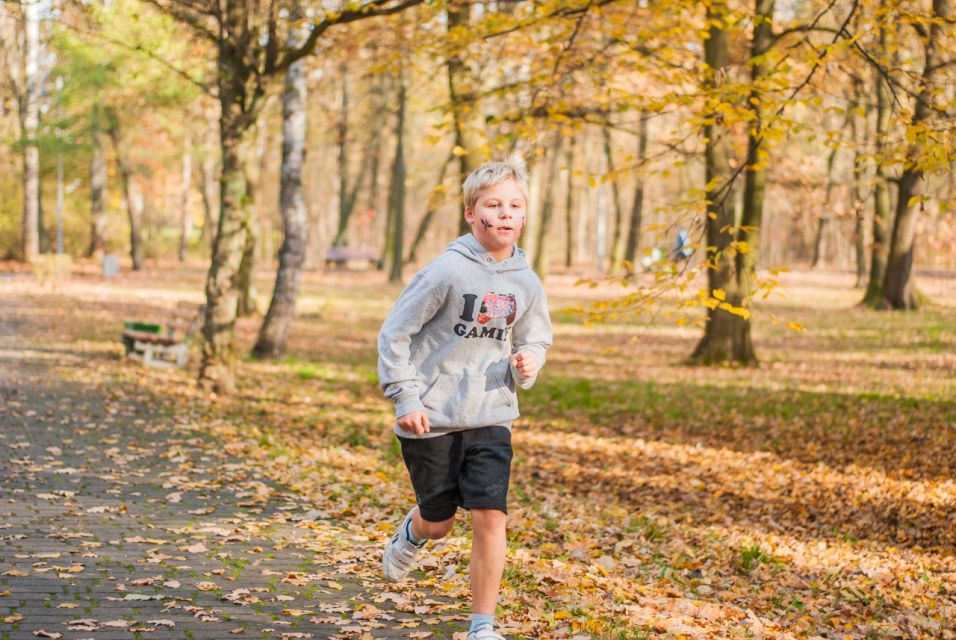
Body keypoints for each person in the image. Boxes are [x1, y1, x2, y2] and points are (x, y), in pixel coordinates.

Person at [377, 155, 553, 640]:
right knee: (440, 522)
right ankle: (413, 533)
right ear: (472, 214)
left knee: (490, 516)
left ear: (524, 214)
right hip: (431, 415)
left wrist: (530, 361)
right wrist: (406, 398)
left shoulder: (526, 281)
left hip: (492, 413)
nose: (505, 214)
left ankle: (481, 626)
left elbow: (536, 338)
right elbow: (394, 334)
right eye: (493, 205)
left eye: (515, 205)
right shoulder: (446, 273)